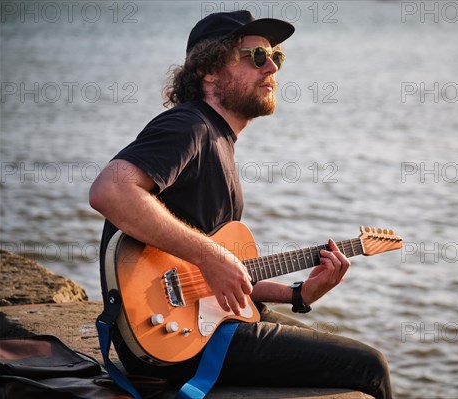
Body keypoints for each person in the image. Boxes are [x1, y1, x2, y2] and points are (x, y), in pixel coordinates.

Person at [89, 10, 392, 399]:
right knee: (368, 365)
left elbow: (215, 282)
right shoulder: (189, 126)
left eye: (275, 58)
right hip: (170, 341)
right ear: (209, 71)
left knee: (341, 355)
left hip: (198, 326)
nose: (271, 68)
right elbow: (109, 191)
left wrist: (298, 294)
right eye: (255, 57)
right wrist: (210, 255)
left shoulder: (217, 139)